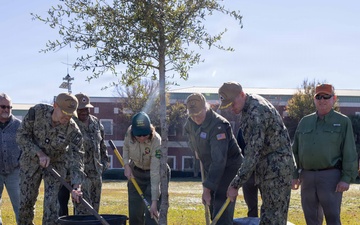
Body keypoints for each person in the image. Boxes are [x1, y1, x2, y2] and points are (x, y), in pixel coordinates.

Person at [219, 81, 295, 225]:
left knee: (273, 219)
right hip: (269, 170)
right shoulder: (249, 106)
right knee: (268, 216)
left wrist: (235, 185)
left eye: (232, 104)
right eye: (228, 106)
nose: (231, 109)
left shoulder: (256, 112)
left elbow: (253, 152)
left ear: (241, 94)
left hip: (276, 170)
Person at [292, 83, 358, 225]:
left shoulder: (343, 122)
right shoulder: (305, 122)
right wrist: (294, 175)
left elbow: (349, 152)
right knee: (311, 219)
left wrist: (346, 178)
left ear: (334, 98)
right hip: (307, 177)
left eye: (326, 97)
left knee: (333, 218)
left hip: (331, 177)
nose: (322, 100)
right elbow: (295, 151)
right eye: (318, 97)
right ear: (314, 99)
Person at [16, 92, 85, 225]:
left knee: (52, 206)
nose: (67, 117)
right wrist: (39, 153)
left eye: (71, 114)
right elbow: (21, 136)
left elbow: (78, 157)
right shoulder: (36, 112)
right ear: (55, 106)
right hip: (30, 162)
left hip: (56, 165)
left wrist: (77, 185)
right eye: (65, 112)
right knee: (25, 204)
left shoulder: (73, 130)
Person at [184, 93, 243, 225]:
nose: (196, 117)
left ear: (206, 107)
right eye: (192, 114)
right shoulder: (190, 122)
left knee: (221, 203)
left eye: (199, 113)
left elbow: (219, 160)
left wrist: (207, 189)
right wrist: (195, 149)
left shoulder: (218, 126)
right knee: (211, 204)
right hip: (211, 165)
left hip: (230, 166)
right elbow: (188, 134)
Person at [122, 111, 164, 225]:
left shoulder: (156, 140)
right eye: (138, 135)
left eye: (144, 135)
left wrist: (155, 202)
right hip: (135, 172)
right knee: (135, 212)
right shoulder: (129, 132)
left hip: (153, 173)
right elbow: (125, 148)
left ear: (150, 131)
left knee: (151, 211)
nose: (141, 138)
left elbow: (155, 172)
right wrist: (126, 165)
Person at [0, 93, 21, 224]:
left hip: (15, 172)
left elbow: (27, 147)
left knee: (21, 206)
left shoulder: (19, 125)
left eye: (9, 107)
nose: (6, 110)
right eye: (3, 106)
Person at [237, 128, 260, 218]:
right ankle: (252, 220)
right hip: (248, 171)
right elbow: (239, 150)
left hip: (264, 171)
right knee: (251, 205)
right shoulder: (242, 129)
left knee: (268, 204)